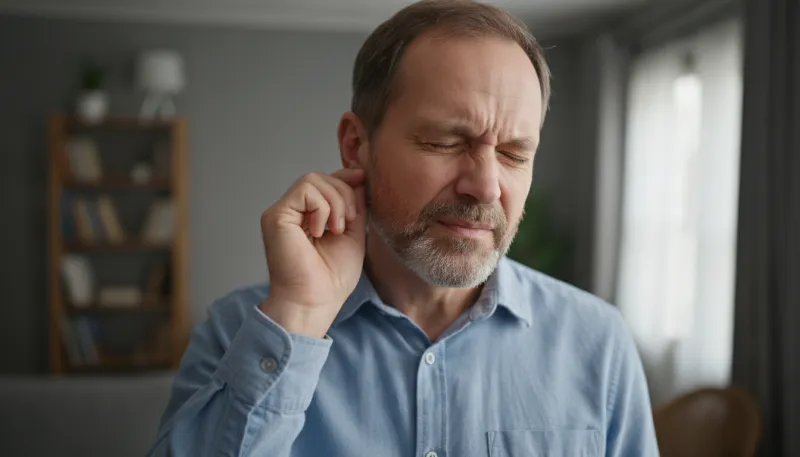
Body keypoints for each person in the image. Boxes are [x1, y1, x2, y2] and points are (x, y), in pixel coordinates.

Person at [146, 0, 659, 455]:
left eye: (512, 153)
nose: (485, 186)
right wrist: (299, 316)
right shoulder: (242, 334)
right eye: (445, 142)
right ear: (356, 145)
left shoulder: (597, 343)